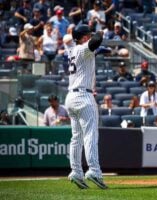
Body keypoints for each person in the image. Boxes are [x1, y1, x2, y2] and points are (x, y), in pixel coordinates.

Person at [64, 24, 108, 189]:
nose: (90, 36)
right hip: (83, 96)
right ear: (83, 37)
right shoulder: (83, 48)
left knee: (76, 138)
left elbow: (93, 49)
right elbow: (94, 42)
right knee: (91, 136)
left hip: (71, 97)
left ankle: (76, 171)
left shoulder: (72, 50)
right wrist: (100, 32)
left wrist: (99, 50)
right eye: (87, 35)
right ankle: (94, 171)